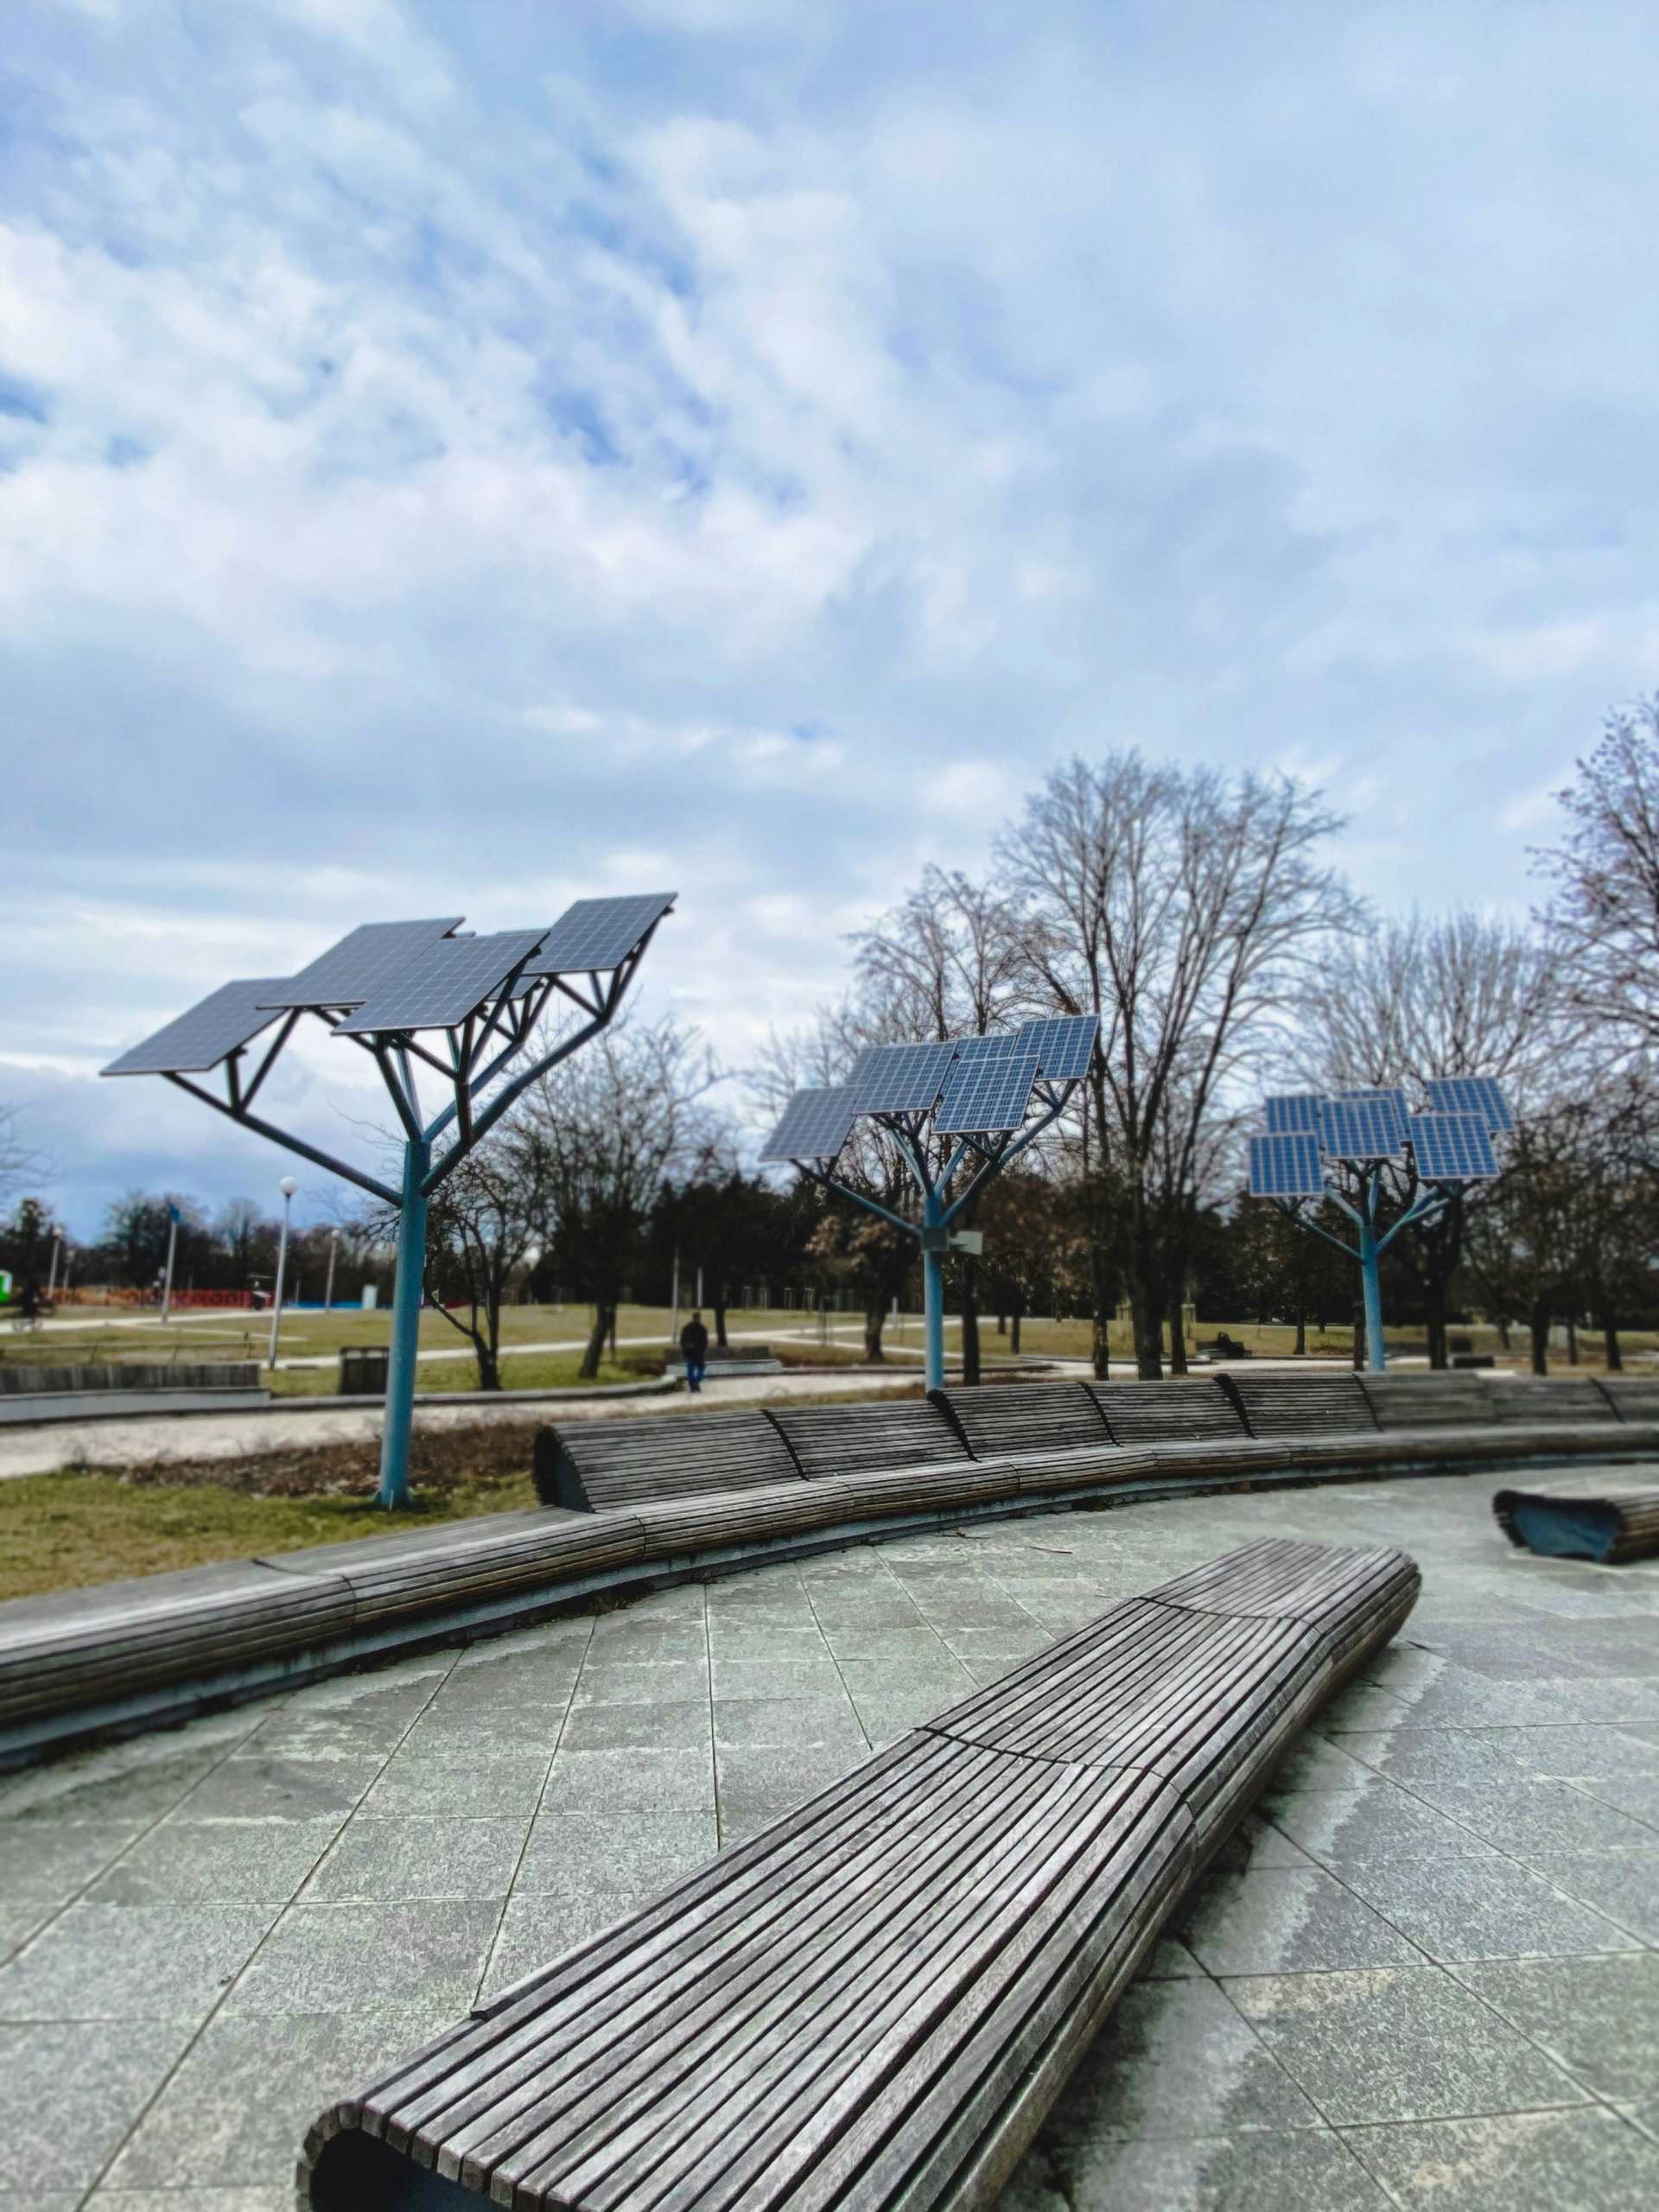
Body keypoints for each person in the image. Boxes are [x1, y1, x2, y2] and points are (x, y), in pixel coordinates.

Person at [679, 1309, 709, 1394]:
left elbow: (682, 1341)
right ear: (699, 1318)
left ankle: (693, 1386)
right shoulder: (702, 1329)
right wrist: (702, 1350)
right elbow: (705, 1343)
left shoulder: (686, 1328)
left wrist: (685, 1349)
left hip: (690, 1353)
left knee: (690, 1371)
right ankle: (696, 1383)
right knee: (700, 1369)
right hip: (698, 1354)